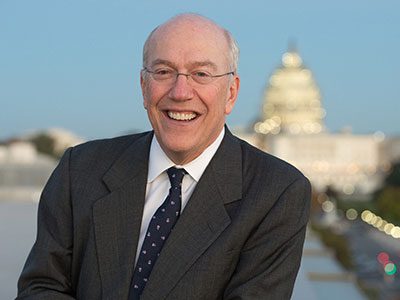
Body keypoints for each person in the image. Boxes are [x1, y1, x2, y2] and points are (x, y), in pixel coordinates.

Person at [17, 13, 311, 300]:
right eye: (163, 72)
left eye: (201, 74)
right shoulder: (79, 170)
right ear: (144, 87)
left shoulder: (276, 192)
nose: (181, 92)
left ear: (231, 93)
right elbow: (40, 288)